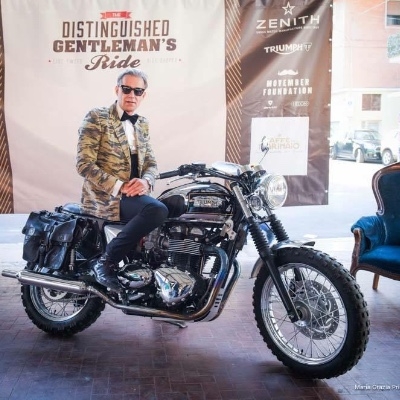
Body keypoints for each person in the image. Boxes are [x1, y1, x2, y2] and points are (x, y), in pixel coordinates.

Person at [76, 68, 168, 291]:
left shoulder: (142, 123)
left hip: (135, 194)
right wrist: (121, 186)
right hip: (107, 197)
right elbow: (84, 164)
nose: (131, 95)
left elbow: (151, 163)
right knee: (156, 210)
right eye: (126, 89)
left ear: (144, 95)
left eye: (138, 91)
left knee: (177, 208)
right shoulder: (97, 117)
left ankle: (163, 274)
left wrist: (146, 181)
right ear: (117, 90)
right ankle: (105, 262)